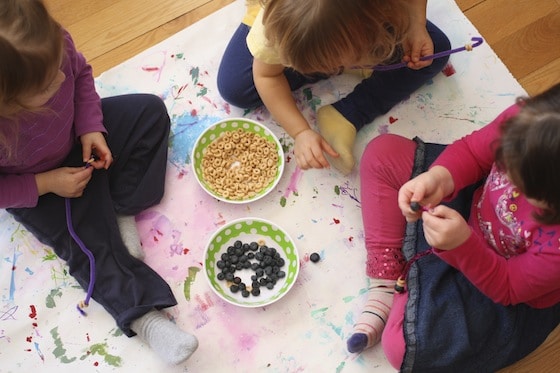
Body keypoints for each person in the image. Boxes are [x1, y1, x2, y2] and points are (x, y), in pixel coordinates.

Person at [0, 0, 198, 365]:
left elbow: (80, 76)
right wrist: (45, 183)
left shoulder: (49, 44)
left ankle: (120, 207)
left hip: (78, 137)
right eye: (46, 86)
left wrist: (90, 125)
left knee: (150, 113)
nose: (59, 79)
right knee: (87, 246)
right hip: (35, 185)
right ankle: (147, 320)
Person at [350, 82, 560, 371]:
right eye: (506, 164)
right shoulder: (531, 123)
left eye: (524, 186)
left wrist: (462, 246)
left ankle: (413, 292)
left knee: (403, 348)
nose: (507, 178)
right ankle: (386, 282)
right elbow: (474, 153)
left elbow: (508, 286)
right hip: (471, 211)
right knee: (382, 154)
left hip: (505, 284)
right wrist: (439, 177)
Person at [217, 0, 451, 175]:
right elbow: (266, 76)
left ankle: (347, 113)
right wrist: (300, 132)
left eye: (341, 62)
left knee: (436, 48)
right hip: (292, 18)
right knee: (235, 88)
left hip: (363, 14)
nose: (334, 70)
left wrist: (416, 25)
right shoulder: (275, 28)